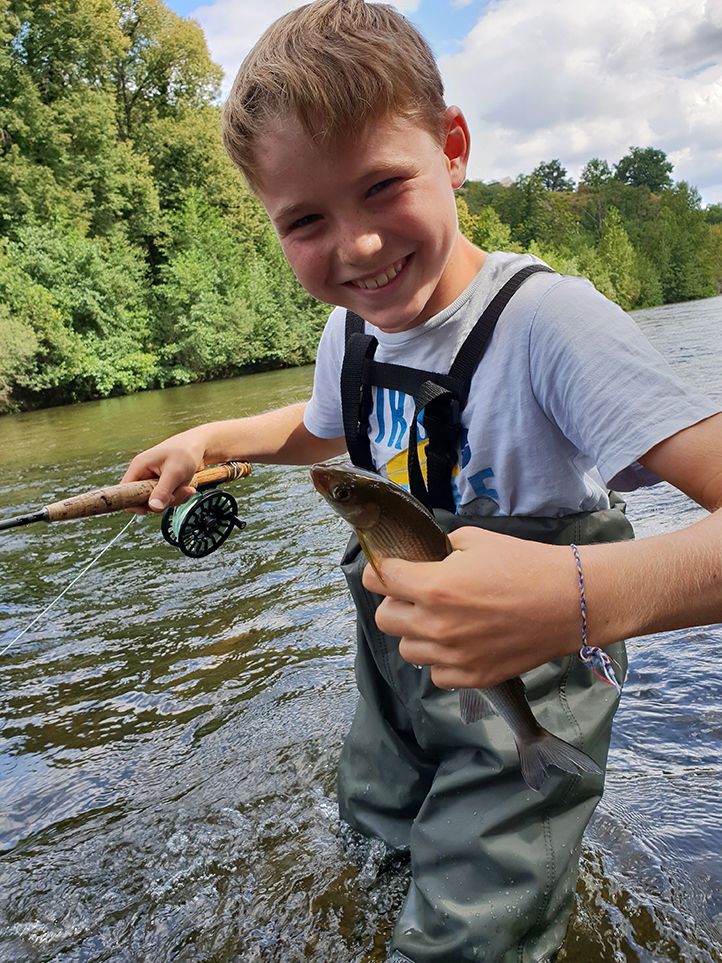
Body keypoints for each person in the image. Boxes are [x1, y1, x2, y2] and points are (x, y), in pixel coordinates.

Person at [121, 1, 722, 960]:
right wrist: (208, 436)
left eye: (381, 186)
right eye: (307, 220)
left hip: (540, 667)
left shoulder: (552, 327)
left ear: (452, 148)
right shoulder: (352, 329)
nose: (355, 247)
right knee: (371, 845)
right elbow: (319, 430)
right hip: (396, 676)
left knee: (466, 936)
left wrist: (579, 593)